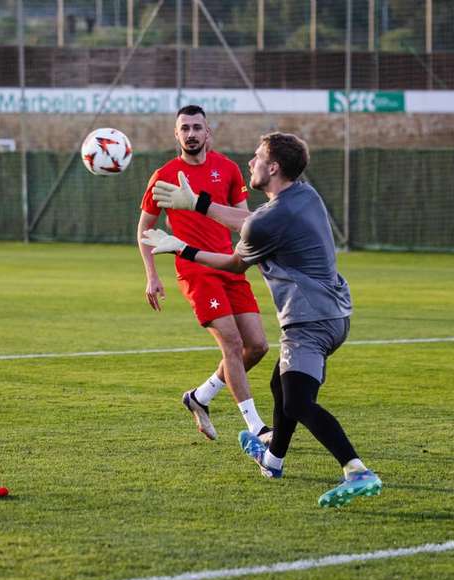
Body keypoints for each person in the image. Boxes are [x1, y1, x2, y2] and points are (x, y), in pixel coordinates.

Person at [144, 132, 381, 508]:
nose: (250, 163)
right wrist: (199, 204)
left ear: (273, 168)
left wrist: (183, 246)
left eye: (257, 157)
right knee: (281, 387)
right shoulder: (305, 194)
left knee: (299, 403)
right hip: (336, 315)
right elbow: (251, 219)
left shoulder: (268, 220)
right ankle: (272, 460)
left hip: (307, 321)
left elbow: (236, 261)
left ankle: (356, 470)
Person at [137, 105, 271, 443]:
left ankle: (200, 396)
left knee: (257, 346)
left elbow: (243, 220)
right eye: (185, 128)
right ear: (176, 134)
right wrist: (151, 274)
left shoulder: (227, 169)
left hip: (229, 264)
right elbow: (144, 228)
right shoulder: (163, 175)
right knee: (232, 342)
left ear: (208, 132)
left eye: (198, 127)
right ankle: (257, 427)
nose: (192, 134)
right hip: (195, 270)